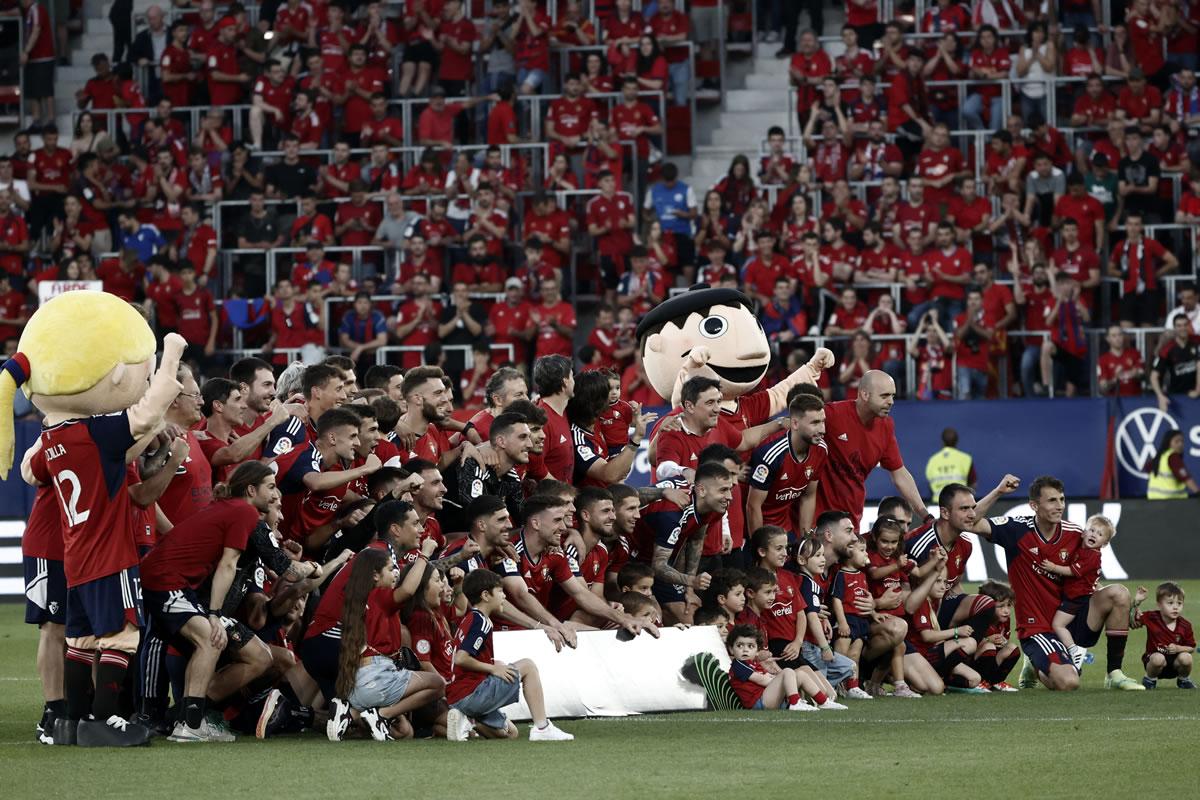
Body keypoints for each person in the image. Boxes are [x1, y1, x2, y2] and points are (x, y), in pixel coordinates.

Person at [139, 461, 288, 742]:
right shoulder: (243, 511)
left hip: (178, 585)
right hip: (164, 580)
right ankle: (189, 723)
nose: (275, 494)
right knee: (210, 639)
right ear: (251, 489)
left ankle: (189, 718)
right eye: (270, 487)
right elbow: (227, 566)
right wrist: (215, 614)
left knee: (258, 656)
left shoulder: (233, 509)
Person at [977, 475, 1144, 691]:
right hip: (1038, 626)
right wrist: (998, 491)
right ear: (1034, 506)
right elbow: (972, 521)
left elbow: (1088, 576)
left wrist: (1126, 610)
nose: (1059, 506)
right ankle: (1036, 660)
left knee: (1120, 593)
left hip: (1071, 617)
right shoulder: (1016, 530)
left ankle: (1114, 673)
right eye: (1052, 500)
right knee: (1069, 682)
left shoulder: (1076, 534)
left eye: (1062, 499)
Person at [326, 549, 446, 741]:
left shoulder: (357, 600)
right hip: (378, 678)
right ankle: (381, 716)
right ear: (375, 575)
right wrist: (425, 554)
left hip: (356, 684)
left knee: (404, 732)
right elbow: (407, 590)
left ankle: (351, 715)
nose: (396, 573)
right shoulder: (379, 595)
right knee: (438, 684)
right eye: (391, 569)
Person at [445, 569, 574, 741]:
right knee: (528, 666)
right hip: (470, 694)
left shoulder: (469, 619)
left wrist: (493, 664)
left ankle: (468, 719)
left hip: (457, 696)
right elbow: (461, 658)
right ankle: (543, 728)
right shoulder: (481, 621)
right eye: (500, 591)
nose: (504, 596)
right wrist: (492, 668)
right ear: (485, 595)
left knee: (510, 733)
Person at [815, 370, 928, 530]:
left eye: (893, 396)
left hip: (851, 520)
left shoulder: (886, 426)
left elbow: (900, 474)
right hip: (817, 520)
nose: (891, 402)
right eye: (884, 396)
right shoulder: (832, 415)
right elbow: (796, 426)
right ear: (865, 395)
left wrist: (925, 515)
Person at [745, 393, 827, 540]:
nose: (822, 430)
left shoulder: (820, 449)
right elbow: (753, 506)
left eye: (823, 422)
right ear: (795, 423)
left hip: (785, 529)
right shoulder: (770, 454)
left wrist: (805, 540)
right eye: (815, 423)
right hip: (756, 529)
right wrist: (759, 547)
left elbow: (808, 496)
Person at [1042, 515, 1116, 667]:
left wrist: (1053, 568)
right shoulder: (1082, 550)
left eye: (1100, 534)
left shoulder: (1092, 556)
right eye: (1092, 530)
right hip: (1077, 596)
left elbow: (1072, 571)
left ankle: (1074, 651)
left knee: (1058, 625)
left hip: (1076, 598)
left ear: (1105, 543)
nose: (1094, 534)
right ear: (1083, 533)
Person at [726, 624, 837, 711]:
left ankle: (823, 702)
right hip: (759, 702)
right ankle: (795, 703)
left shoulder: (753, 662)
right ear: (731, 649)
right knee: (787, 672)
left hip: (768, 697)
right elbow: (761, 680)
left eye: (750, 646)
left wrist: (780, 679)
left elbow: (766, 676)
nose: (745, 650)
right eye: (740, 645)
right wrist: (781, 680)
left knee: (800, 674)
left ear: (757, 651)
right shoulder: (738, 664)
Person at [1132, 582, 1196, 690]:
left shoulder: (1185, 625)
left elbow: (1191, 647)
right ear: (1159, 605)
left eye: (1179, 603)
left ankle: (1183, 680)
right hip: (1155, 662)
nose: (1175, 607)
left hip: (1175, 663)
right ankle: (1150, 680)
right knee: (1158, 658)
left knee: (1186, 658)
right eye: (1170, 603)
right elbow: (1132, 622)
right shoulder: (1152, 617)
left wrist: (1178, 648)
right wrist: (1136, 602)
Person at [1150, 315, 1200, 410]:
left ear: (1189, 326)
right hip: (1177, 397)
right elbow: (1154, 376)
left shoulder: (1197, 341)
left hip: (1196, 396)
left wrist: (1198, 390)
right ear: (1174, 328)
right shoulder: (1167, 349)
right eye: (1179, 326)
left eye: (1185, 325)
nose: (1183, 328)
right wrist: (1160, 396)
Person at [924, 427, 976, 507]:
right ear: (957, 441)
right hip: (960, 505)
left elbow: (930, 483)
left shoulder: (933, 460)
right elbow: (973, 483)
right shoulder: (965, 458)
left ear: (942, 441)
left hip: (937, 505)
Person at [1145, 429, 1200, 500]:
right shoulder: (1173, 457)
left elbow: (1147, 468)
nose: (1180, 444)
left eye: (1182, 441)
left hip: (1153, 500)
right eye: (1177, 441)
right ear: (1168, 443)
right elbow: (1185, 477)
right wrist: (1198, 492)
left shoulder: (1160, 457)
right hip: (1172, 502)